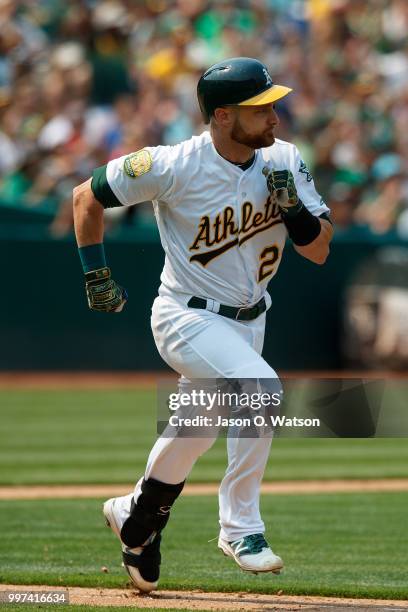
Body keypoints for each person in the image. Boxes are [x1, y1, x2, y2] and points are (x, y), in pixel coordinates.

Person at [73, 57, 333, 593]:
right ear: (221, 116)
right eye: (259, 108)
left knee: (195, 429)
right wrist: (95, 273)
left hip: (250, 321)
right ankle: (241, 528)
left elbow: (319, 251)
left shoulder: (283, 159)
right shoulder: (174, 163)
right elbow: (86, 196)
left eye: (272, 104)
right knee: (262, 389)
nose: (274, 115)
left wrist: (295, 211)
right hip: (185, 315)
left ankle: (137, 517)